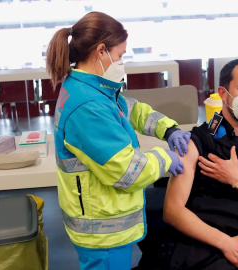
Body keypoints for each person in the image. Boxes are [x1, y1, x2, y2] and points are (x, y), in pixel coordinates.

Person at [46, 12, 191, 270]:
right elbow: (127, 170)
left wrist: (167, 129)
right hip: (104, 233)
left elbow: (130, 109)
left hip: (103, 223)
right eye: (120, 55)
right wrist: (166, 157)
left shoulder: (91, 87)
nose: (122, 61)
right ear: (101, 51)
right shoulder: (87, 107)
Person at [137, 58, 238, 270]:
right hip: (206, 241)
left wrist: (237, 180)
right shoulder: (198, 140)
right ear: (223, 93)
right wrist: (227, 244)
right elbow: (172, 210)